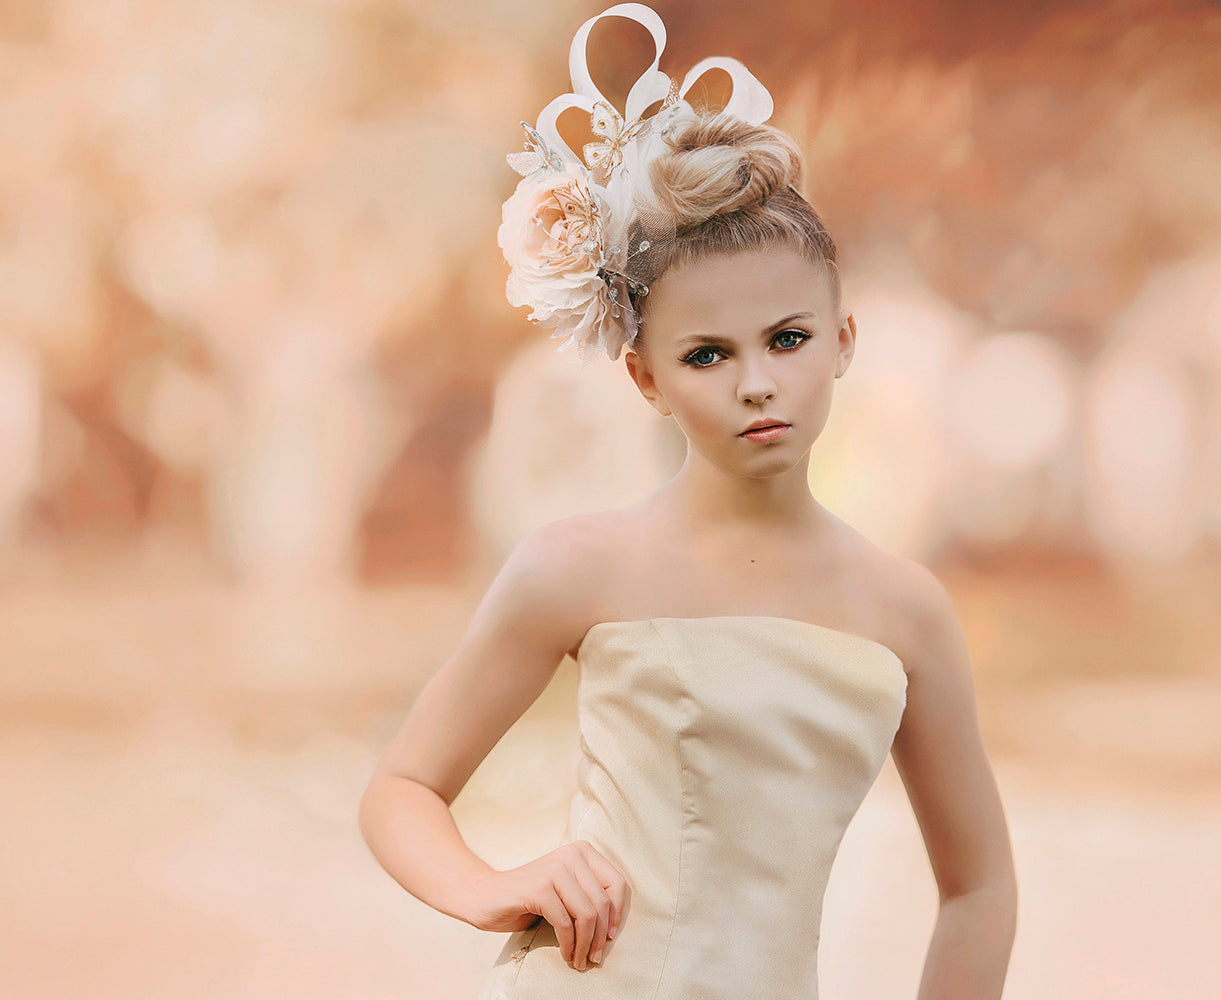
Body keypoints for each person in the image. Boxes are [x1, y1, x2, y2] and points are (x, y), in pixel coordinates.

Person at [357, 5, 1017, 997]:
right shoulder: (580, 564)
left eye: (787, 339)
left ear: (843, 339)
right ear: (646, 379)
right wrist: (494, 886)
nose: (756, 381)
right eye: (708, 354)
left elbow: (978, 885)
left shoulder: (905, 608)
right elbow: (400, 789)